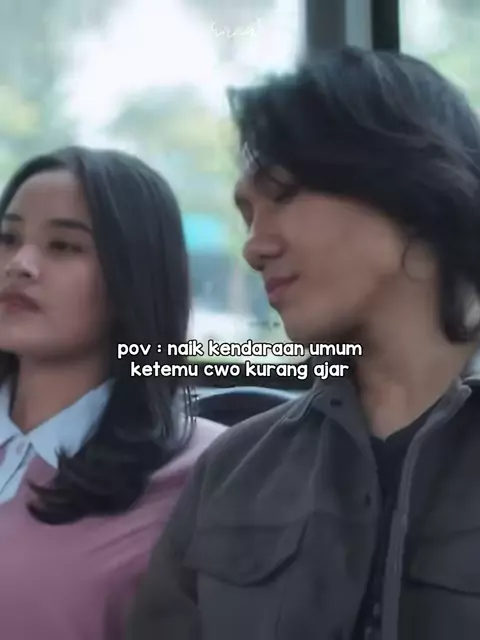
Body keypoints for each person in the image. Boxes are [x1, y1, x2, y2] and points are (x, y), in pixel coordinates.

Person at [125, 47, 480, 640]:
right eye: (248, 215)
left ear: (412, 188)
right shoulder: (232, 471)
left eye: (285, 195)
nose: (253, 247)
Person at [0, 146, 224, 640]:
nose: (20, 263)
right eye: (7, 238)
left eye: (64, 246)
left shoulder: (207, 471)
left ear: (133, 275)